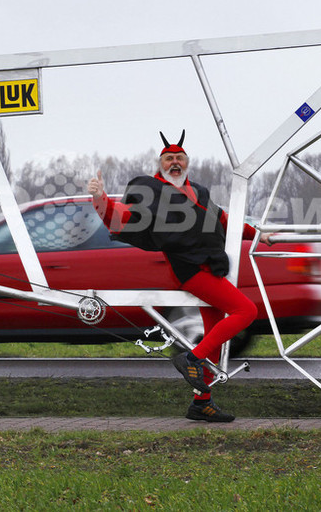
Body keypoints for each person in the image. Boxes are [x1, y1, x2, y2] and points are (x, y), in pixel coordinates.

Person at [87, 130, 272, 423]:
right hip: (189, 270)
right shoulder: (153, 194)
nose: (175, 162)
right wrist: (100, 200)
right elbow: (125, 216)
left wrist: (260, 236)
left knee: (216, 336)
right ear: (160, 164)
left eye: (179, 158)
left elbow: (225, 221)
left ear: (187, 163)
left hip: (211, 266)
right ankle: (191, 359)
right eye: (169, 158)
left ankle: (202, 403)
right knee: (246, 310)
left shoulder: (199, 192)